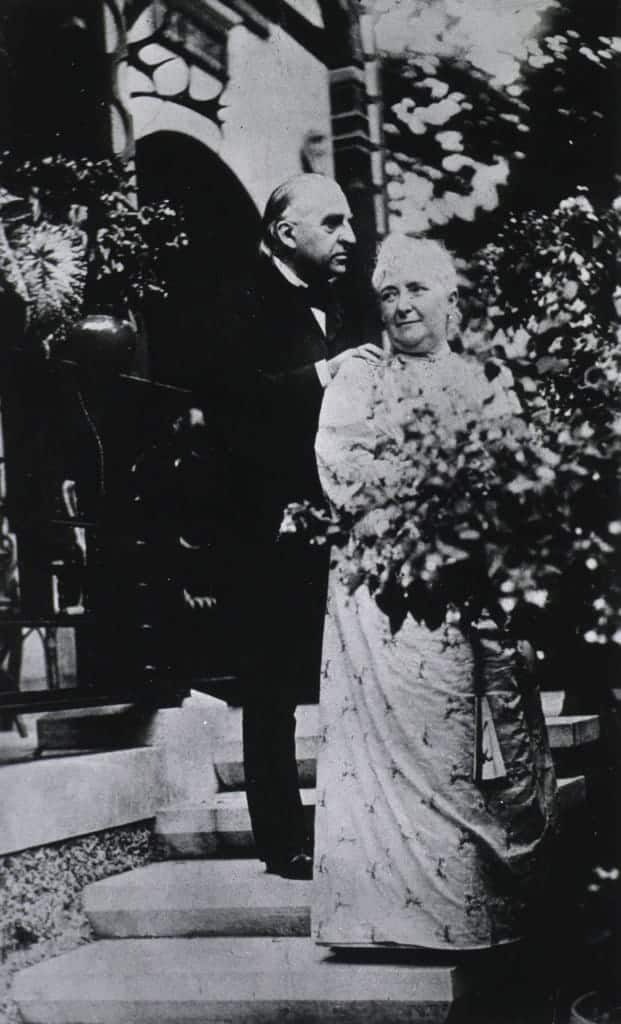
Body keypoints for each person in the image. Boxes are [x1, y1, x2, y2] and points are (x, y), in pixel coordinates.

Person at [312, 234, 558, 948]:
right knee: (416, 743)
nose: (400, 305)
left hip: (475, 584)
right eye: (387, 293)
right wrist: (435, 492)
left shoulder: (486, 381)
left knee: (496, 744)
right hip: (389, 591)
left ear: (449, 299)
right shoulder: (359, 376)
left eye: (415, 289)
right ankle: (399, 921)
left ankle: (490, 915)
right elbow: (341, 467)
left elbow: (520, 480)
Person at [207, 173, 380, 880]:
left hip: (345, 524)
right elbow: (227, 403)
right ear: (286, 233)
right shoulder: (235, 300)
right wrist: (323, 374)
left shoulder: (346, 305)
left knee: (356, 676)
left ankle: (362, 824)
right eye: (334, 224)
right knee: (272, 689)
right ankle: (282, 840)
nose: (350, 237)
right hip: (266, 525)